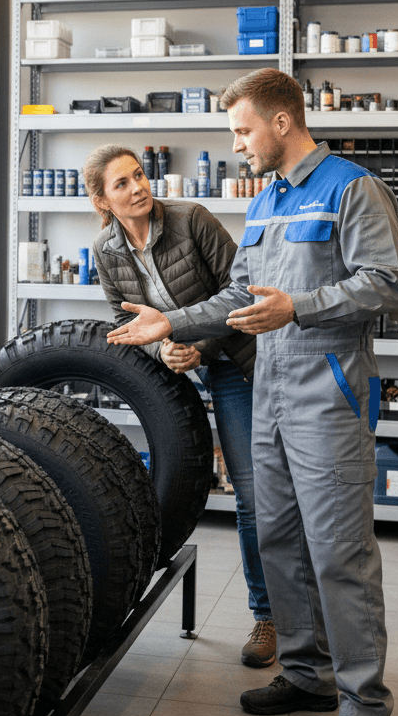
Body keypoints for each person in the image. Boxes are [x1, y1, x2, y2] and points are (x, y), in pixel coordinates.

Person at [106, 67, 398, 716]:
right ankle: (307, 674)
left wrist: (298, 307)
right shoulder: (268, 200)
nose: (236, 143)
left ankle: (366, 709)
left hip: (328, 392)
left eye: (242, 129)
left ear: (280, 121)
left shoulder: (351, 188)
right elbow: (241, 292)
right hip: (267, 388)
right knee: (278, 539)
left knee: (340, 554)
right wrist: (171, 321)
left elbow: (384, 284)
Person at [84, 143, 275, 668]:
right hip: (196, 369)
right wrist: (163, 350)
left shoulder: (193, 220)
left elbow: (242, 293)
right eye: (121, 183)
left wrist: (198, 345)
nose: (138, 187)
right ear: (103, 200)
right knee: (253, 497)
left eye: (139, 175)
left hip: (241, 360)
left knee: (269, 494)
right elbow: (124, 321)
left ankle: (283, 616)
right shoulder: (106, 252)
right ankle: (271, 615)